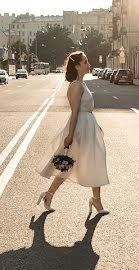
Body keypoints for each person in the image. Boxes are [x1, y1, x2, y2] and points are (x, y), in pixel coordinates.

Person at [37, 51, 110, 216]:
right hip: (79, 131)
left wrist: (96, 126)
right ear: (77, 66)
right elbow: (75, 112)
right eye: (85, 62)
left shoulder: (82, 84)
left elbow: (86, 111)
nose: (88, 64)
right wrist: (70, 136)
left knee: (94, 162)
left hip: (88, 128)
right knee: (68, 165)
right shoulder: (76, 86)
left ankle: (95, 200)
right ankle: (49, 195)